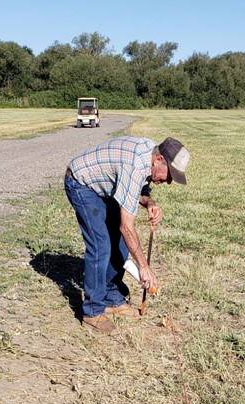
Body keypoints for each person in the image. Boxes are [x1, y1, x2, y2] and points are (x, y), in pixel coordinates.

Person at [64, 136, 190, 334]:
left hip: (106, 188)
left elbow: (138, 190)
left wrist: (149, 203)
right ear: (158, 160)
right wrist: (144, 267)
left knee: (121, 244)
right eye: (169, 175)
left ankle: (111, 298)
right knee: (101, 246)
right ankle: (92, 311)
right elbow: (127, 226)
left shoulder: (149, 157)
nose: (168, 182)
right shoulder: (135, 166)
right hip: (81, 183)